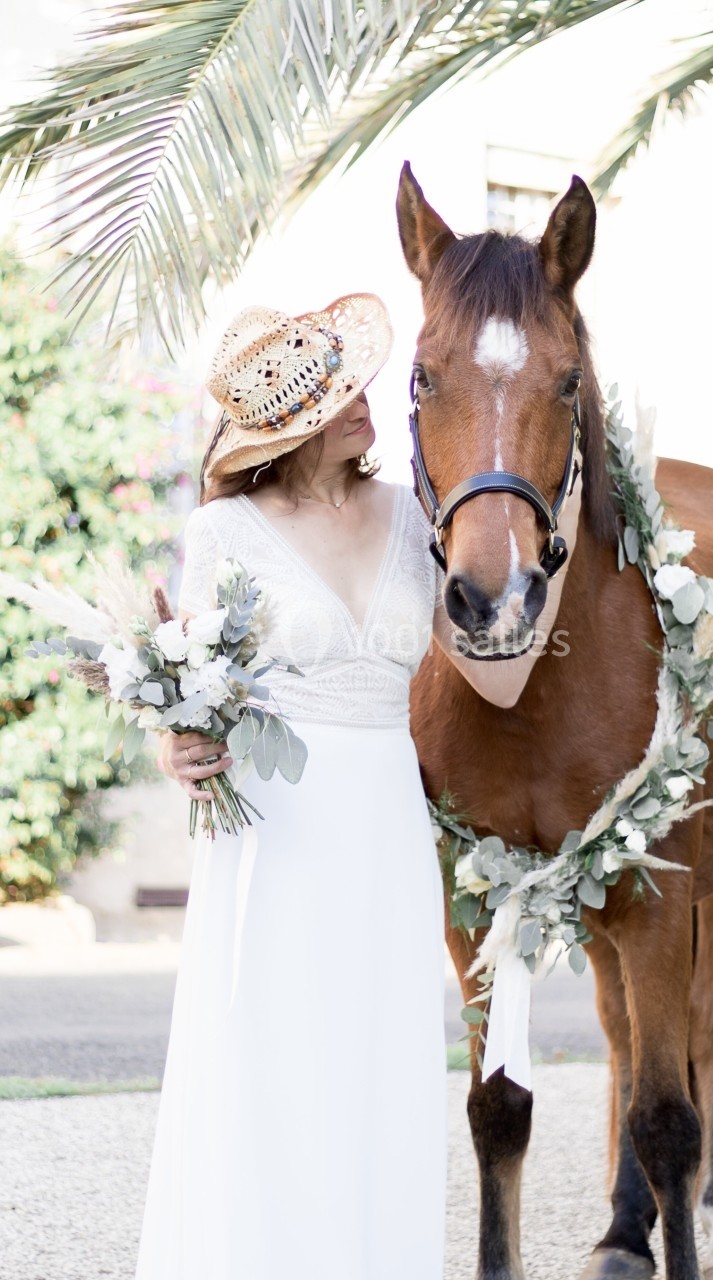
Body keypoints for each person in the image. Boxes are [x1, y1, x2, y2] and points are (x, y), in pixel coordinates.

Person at [136, 294, 565, 1280]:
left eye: (354, 382)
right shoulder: (226, 533)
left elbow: (493, 666)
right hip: (276, 830)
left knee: (378, 1057)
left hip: (383, 822)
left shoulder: (416, 511)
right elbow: (196, 694)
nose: (361, 403)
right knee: (277, 1054)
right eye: (333, 396)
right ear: (284, 428)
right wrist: (176, 738)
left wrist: (547, 580)